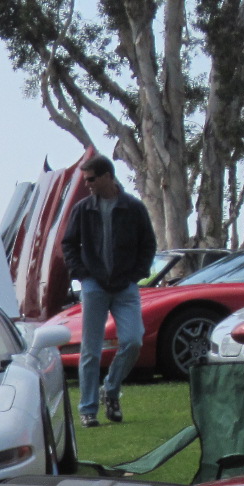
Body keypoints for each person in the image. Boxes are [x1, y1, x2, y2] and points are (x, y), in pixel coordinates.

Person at [61, 156, 157, 428]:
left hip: (125, 285)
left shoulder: (133, 208)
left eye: (91, 179)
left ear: (107, 176)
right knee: (90, 349)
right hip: (93, 285)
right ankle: (88, 409)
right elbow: (69, 244)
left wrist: (136, 273)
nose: (87, 184)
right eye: (86, 179)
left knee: (133, 340)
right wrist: (82, 274)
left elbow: (148, 244)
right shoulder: (83, 209)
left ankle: (111, 389)